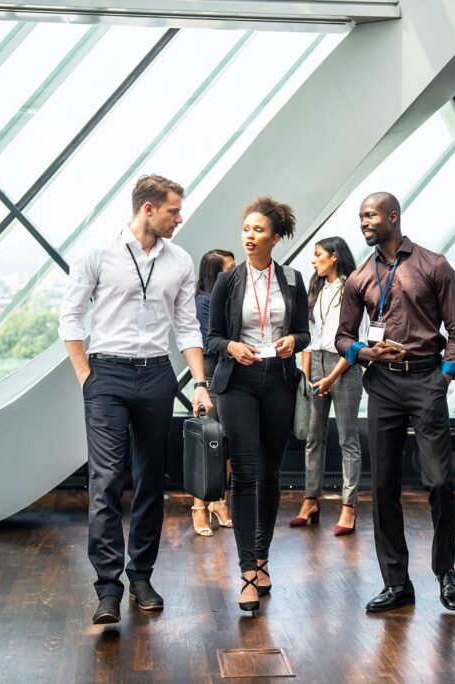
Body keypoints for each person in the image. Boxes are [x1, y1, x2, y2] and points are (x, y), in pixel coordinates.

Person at [59, 174, 213, 625]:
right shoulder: (97, 253)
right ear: (148, 208)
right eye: (172, 211)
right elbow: (69, 318)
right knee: (106, 481)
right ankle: (108, 587)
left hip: (156, 376)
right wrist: (86, 375)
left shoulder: (179, 260)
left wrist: (200, 383)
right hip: (106, 374)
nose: (179, 218)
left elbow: (187, 326)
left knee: (151, 482)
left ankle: (140, 575)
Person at [335, 192, 455, 613]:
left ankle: (445, 570)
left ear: (393, 217)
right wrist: (363, 352)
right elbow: (342, 337)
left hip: (427, 379)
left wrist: (445, 376)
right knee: (383, 485)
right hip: (383, 386)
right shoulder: (359, 277)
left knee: (440, 481)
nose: (364, 222)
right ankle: (397, 583)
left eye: (371, 215)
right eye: (360, 216)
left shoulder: (434, 265)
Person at [206, 197, 310, 613]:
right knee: (245, 474)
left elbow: (304, 331)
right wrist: (231, 346)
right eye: (246, 229)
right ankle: (248, 571)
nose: (249, 236)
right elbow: (212, 337)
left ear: (276, 237)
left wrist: (292, 342)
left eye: (258, 230)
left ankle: (263, 558)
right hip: (239, 383)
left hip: (280, 381)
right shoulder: (227, 281)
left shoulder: (292, 278)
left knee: (270, 475)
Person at [289, 237, 365, 535]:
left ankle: (349, 507)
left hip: (344, 365)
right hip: (316, 363)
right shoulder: (316, 288)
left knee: (348, 439)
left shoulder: (353, 287)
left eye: (318, 255)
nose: (313, 260)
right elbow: (310, 334)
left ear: (334, 256)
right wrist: (306, 377)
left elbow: (356, 340)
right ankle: (310, 501)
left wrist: (330, 377)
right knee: (313, 437)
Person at [192, 248, 236, 536]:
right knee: (206, 439)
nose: (234, 272)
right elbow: (211, 339)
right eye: (228, 268)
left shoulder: (228, 297)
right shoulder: (204, 300)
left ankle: (220, 502)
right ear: (215, 272)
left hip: (231, 368)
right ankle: (198, 507)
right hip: (211, 370)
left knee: (227, 439)